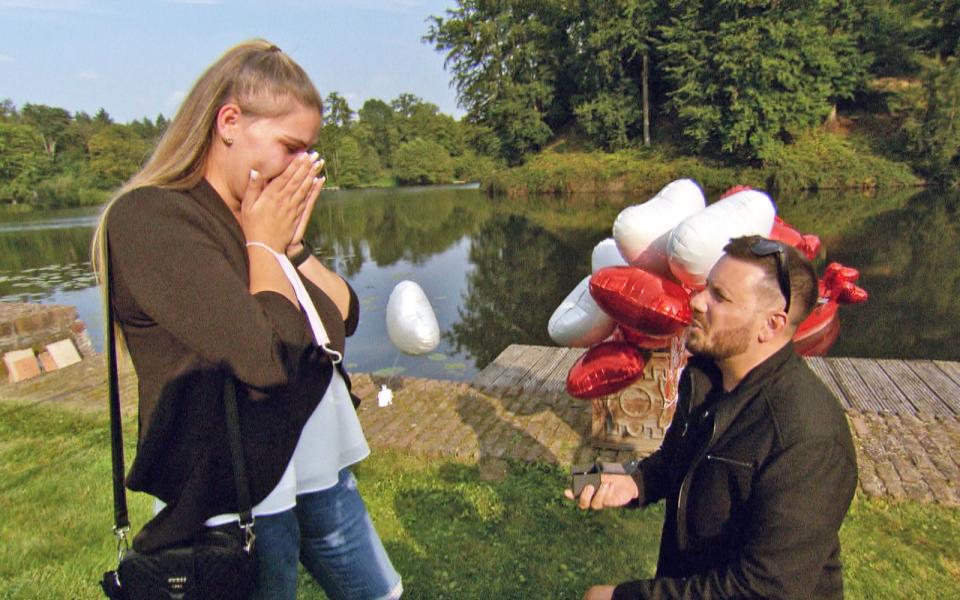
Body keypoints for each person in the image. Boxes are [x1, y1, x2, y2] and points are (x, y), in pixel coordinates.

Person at [93, 40, 402, 600]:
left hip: (319, 465)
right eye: (292, 147)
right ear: (230, 122)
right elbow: (264, 357)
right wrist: (264, 243)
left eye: (311, 153)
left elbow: (342, 318)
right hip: (243, 495)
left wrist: (295, 248)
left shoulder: (256, 218)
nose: (303, 168)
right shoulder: (153, 218)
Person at [566, 235, 858, 600]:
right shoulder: (703, 376)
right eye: (706, 288)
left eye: (720, 296)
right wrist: (635, 482)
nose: (697, 301)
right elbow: (675, 460)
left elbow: (764, 590)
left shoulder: (808, 440)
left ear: (771, 325)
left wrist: (621, 597)